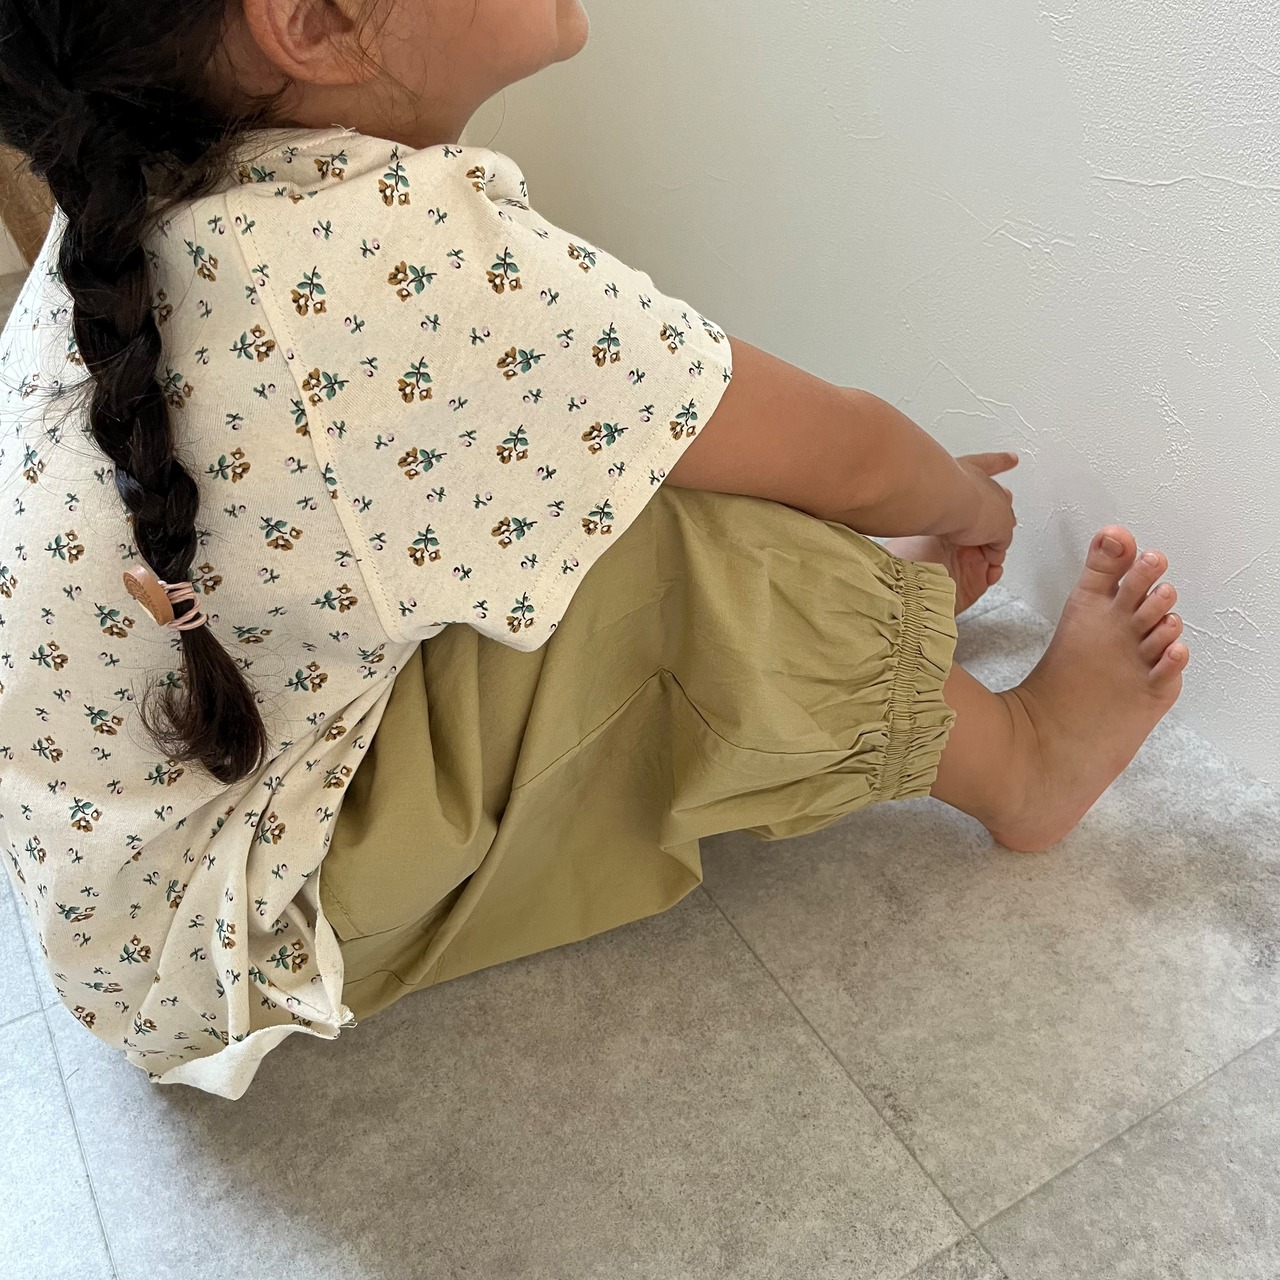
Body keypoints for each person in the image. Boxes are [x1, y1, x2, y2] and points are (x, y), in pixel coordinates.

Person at [0, 0, 1188, 1100]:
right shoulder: (381, 260)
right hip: (232, 934)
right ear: (312, 21)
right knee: (672, 538)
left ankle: (864, 630)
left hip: (124, 896)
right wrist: (967, 506)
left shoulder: (138, 209)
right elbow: (844, 453)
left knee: (567, 484)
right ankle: (1022, 764)